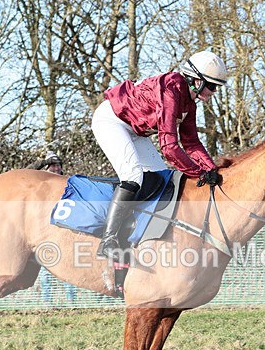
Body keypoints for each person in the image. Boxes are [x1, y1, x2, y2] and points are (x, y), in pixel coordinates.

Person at [91, 50, 227, 261]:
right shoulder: (172, 88)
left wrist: (212, 170)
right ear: (196, 80)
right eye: (212, 85)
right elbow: (169, 147)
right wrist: (199, 173)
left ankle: (133, 227)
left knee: (161, 178)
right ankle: (107, 240)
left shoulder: (189, 103)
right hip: (112, 120)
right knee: (133, 176)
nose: (214, 91)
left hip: (135, 130)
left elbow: (191, 143)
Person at [29, 150, 79, 303]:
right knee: (45, 274)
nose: (55, 168)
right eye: (51, 166)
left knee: (69, 272)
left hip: (65, 234)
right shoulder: (42, 185)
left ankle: (72, 304)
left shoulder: (68, 183)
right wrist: (43, 162)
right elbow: (26, 172)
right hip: (45, 236)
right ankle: (48, 305)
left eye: (57, 165)